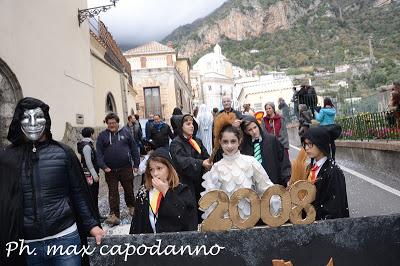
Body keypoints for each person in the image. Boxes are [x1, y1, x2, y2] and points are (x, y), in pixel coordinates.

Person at [0, 97, 104, 266]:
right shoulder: (7, 158)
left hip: (64, 239)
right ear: (19, 121)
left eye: (38, 117)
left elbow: (79, 193)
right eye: (26, 117)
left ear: (46, 121)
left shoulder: (63, 153)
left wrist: (92, 225)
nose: (33, 123)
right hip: (27, 245)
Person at [202, 125, 279, 220]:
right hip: (226, 223)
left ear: (239, 141)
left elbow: (266, 188)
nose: (229, 146)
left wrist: (281, 204)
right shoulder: (216, 168)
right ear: (220, 142)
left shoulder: (251, 162)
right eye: (225, 142)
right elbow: (211, 202)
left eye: (233, 141)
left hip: (250, 221)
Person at [129, 148, 198, 234]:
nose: (155, 173)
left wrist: (166, 191)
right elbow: (137, 223)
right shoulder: (144, 191)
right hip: (150, 244)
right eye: (151, 169)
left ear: (169, 168)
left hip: (174, 244)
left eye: (159, 168)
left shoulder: (182, 190)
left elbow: (186, 219)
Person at [96, 113, 140, 226]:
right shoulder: (102, 136)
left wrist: (136, 165)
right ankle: (114, 215)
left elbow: (134, 148)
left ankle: (132, 207)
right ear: (107, 123)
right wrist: (103, 166)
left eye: (114, 123)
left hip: (126, 168)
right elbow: (99, 154)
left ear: (117, 122)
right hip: (110, 170)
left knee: (129, 189)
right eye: (109, 123)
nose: (112, 125)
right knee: (113, 193)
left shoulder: (126, 132)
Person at [170, 114, 212, 221]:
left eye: (192, 123)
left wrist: (209, 161)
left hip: (199, 182)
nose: (191, 126)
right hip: (185, 183)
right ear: (181, 126)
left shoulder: (197, 141)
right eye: (188, 124)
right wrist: (201, 163)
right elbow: (182, 161)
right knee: (190, 212)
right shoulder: (176, 143)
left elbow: (205, 155)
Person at [302, 127, 349, 220]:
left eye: (310, 144)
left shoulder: (333, 172)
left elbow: (335, 208)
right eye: (305, 144)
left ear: (320, 143)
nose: (306, 148)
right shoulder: (310, 168)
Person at [240, 116, 291, 187]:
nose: (254, 132)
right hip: (255, 185)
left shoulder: (272, 140)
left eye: (255, 127)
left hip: (274, 182)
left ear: (258, 126)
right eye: (250, 130)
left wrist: (287, 178)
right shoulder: (245, 147)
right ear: (246, 132)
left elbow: (283, 160)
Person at [77, 127, 101, 219]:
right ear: (91, 134)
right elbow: (88, 162)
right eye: (93, 133)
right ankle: (95, 215)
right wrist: (95, 175)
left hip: (89, 174)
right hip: (90, 175)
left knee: (92, 194)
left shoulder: (86, 144)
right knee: (93, 195)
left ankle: (95, 214)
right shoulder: (87, 146)